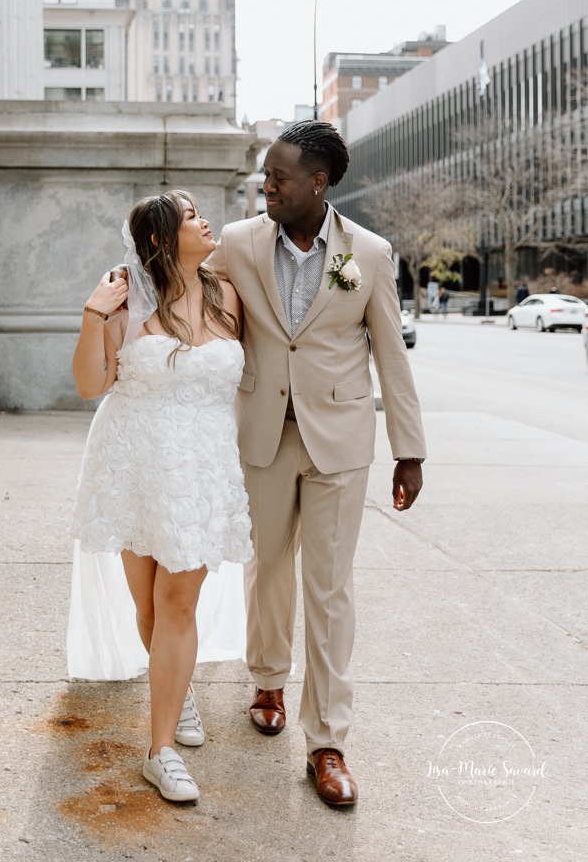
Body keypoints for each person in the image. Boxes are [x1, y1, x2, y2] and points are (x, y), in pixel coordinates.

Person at [211, 121, 426, 807]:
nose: (265, 184)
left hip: (339, 438)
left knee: (330, 587)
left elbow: (390, 351)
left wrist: (409, 448)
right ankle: (268, 679)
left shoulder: (368, 251)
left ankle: (327, 741)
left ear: (317, 183)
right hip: (263, 434)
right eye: (263, 175)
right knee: (267, 565)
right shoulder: (238, 243)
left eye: (277, 176)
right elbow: (197, 310)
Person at [69, 190, 254, 803]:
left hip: (201, 468)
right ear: (160, 239)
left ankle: (162, 749)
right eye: (190, 215)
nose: (205, 220)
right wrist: (95, 314)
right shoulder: (128, 297)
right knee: (148, 602)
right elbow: (92, 384)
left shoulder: (228, 294)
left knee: (179, 600)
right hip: (134, 462)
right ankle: (181, 692)